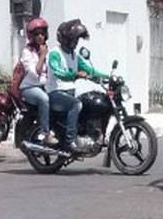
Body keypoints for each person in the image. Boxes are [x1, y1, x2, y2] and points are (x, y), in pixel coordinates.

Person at [47, 19, 106, 152]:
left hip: (69, 93)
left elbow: (90, 70)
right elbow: (58, 72)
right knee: (76, 104)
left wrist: (108, 77)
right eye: (74, 40)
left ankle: (87, 134)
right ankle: (70, 141)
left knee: (87, 103)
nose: (76, 43)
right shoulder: (54, 54)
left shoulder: (75, 55)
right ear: (66, 39)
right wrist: (75, 74)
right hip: (55, 93)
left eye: (77, 40)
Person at [18, 17, 56, 146]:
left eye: (42, 34)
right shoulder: (27, 52)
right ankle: (45, 133)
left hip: (45, 86)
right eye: (37, 34)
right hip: (29, 88)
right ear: (32, 36)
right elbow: (35, 74)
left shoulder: (48, 51)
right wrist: (42, 56)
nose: (40, 37)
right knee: (44, 99)